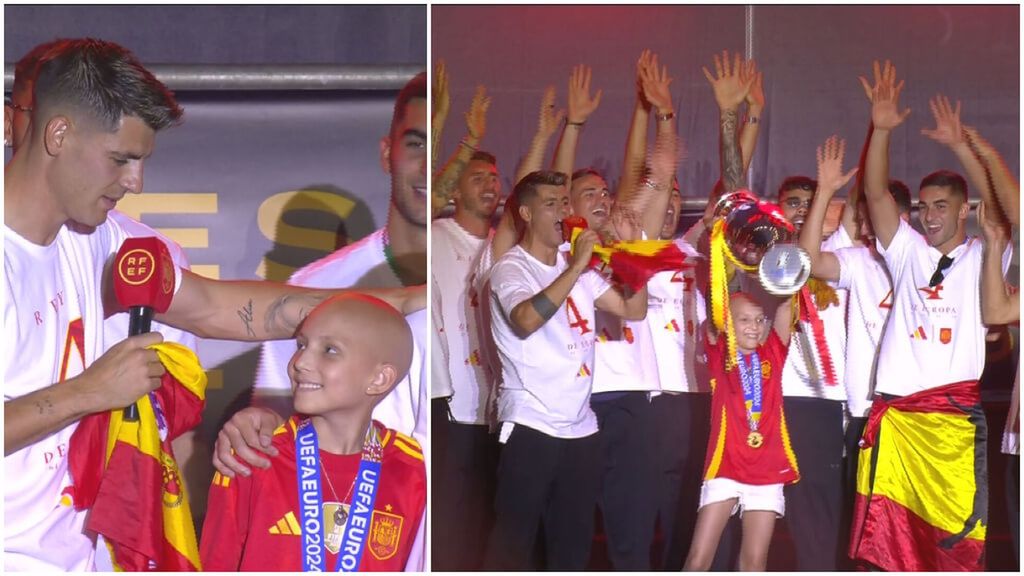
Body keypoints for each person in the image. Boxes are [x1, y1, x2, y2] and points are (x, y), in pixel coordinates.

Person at [3, 38, 423, 572]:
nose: (135, 182)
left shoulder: (97, 239)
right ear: (58, 134)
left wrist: (399, 299)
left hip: (80, 556)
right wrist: (89, 392)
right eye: (121, 160)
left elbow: (214, 307)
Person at [848, 60, 1011, 571]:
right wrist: (881, 129)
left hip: (953, 423)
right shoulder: (907, 251)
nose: (930, 215)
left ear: (964, 210)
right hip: (896, 417)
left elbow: (1010, 212)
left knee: (955, 550)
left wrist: (965, 146)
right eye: (924, 207)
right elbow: (875, 193)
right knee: (886, 549)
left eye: (941, 206)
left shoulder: (988, 256)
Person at [481, 170, 649, 571]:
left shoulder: (579, 266)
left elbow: (633, 309)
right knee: (513, 544)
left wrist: (631, 257)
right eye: (551, 204)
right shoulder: (511, 269)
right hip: (531, 423)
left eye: (565, 203)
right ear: (525, 213)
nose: (563, 212)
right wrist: (574, 268)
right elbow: (524, 318)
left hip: (581, 426)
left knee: (572, 546)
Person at [200, 294, 425, 571]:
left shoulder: (414, 468)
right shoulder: (252, 453)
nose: (300, 361)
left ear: (379, 379)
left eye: (329, 350)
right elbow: (216, 562)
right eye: (301, 345)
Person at [683, 291, 796, 572]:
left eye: (759, 320)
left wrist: (780, 275)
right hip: (726, 465)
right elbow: (711, 319)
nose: (754, 326)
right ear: (728, 322)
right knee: (699, 558)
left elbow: (785, 306)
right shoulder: (719, 352)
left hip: (767, 469)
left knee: (754, 562)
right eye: (744, 319)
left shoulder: (772, 351)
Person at [430, 148, 502, 570]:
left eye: (494, 178)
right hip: (452, 410)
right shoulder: (435, 235)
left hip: (499, 411)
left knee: (489, 529)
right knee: (451, 528)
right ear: (454, 190)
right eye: (477, 178)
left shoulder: (503, 246)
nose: (490, 184)